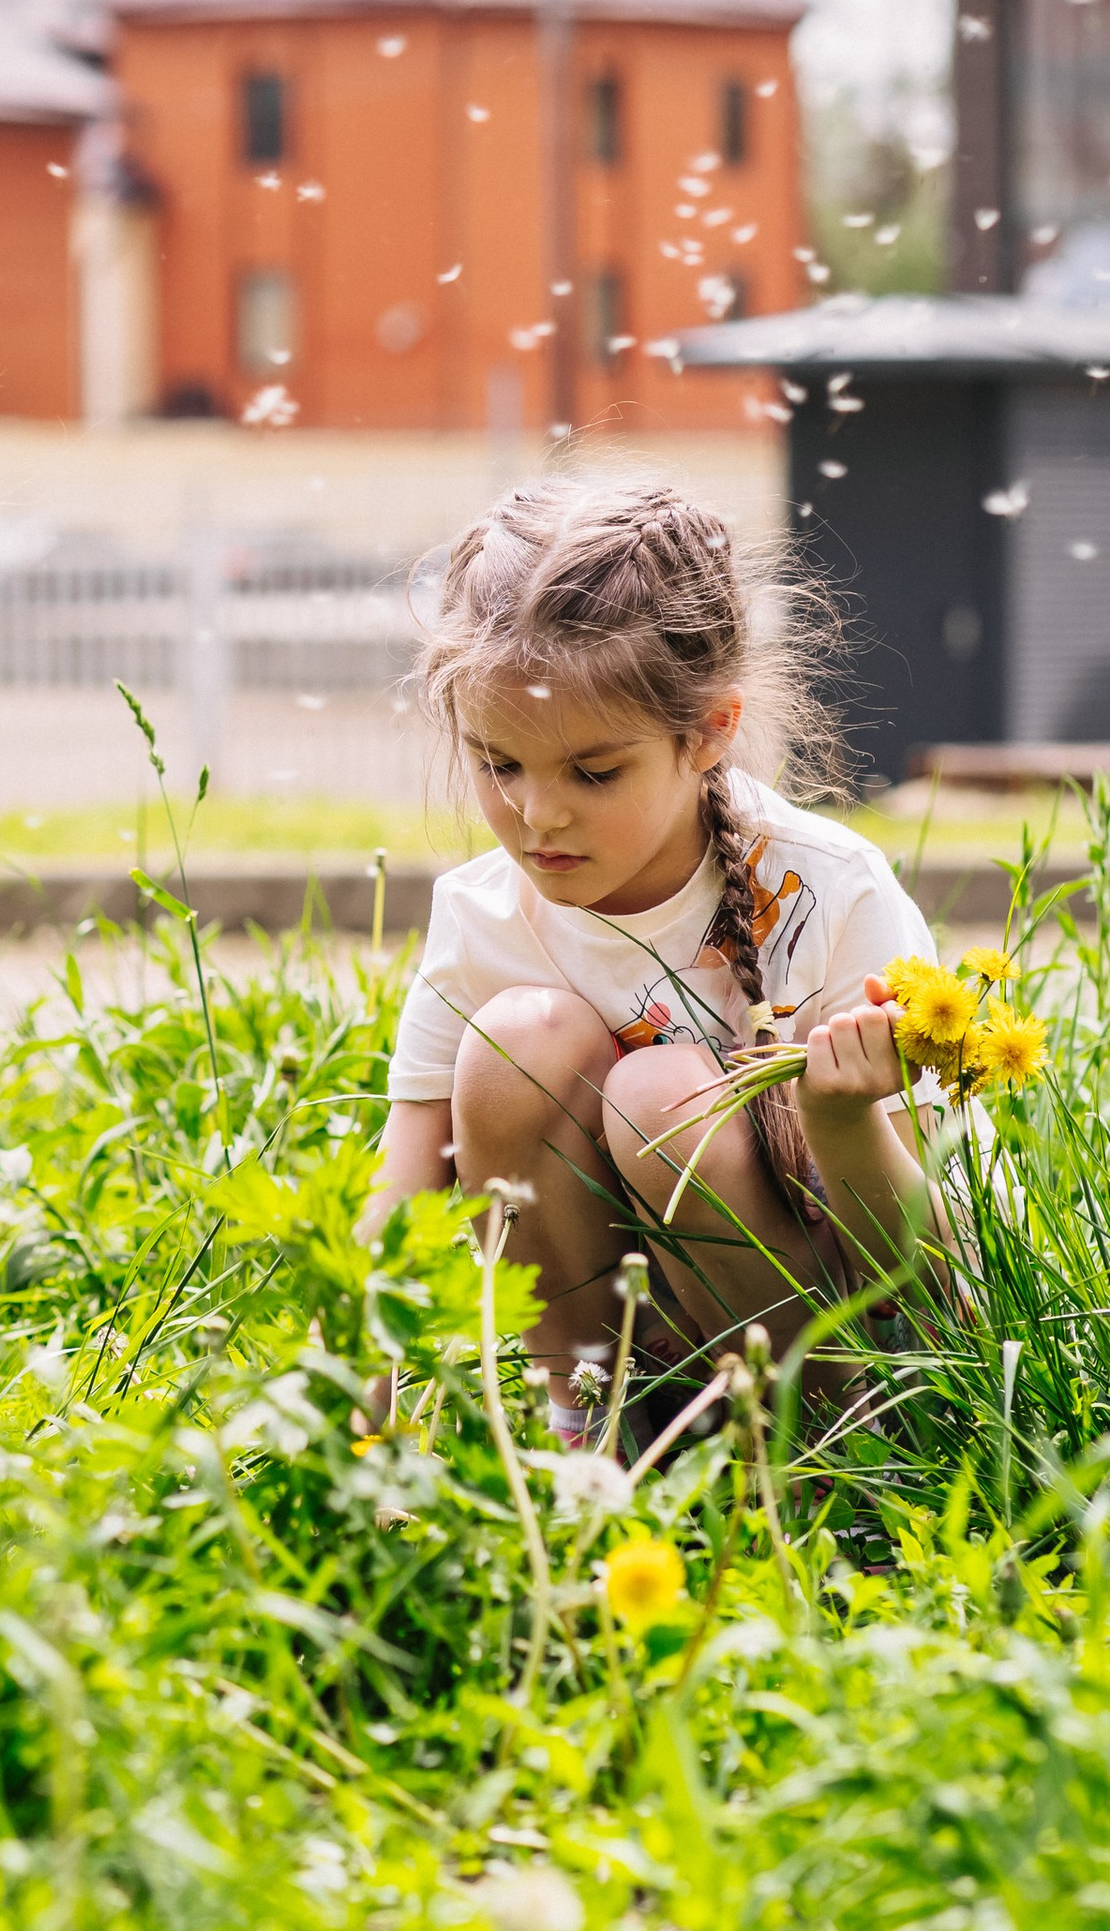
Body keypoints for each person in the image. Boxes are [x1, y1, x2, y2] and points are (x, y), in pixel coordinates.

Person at [365, 478, 935, 1445]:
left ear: (709, 730)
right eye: (499, 764)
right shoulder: (481, 916)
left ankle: (822, 1463)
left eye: (593, 773)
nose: (537, 815)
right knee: (516, 1044)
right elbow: (400, 1204)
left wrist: (838, 1123)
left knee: (664, 1095)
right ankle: (591, 1434)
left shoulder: (830, 891)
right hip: (639, 1345)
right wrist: (342, 1443)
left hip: (844, 1348)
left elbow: (920, 1261)